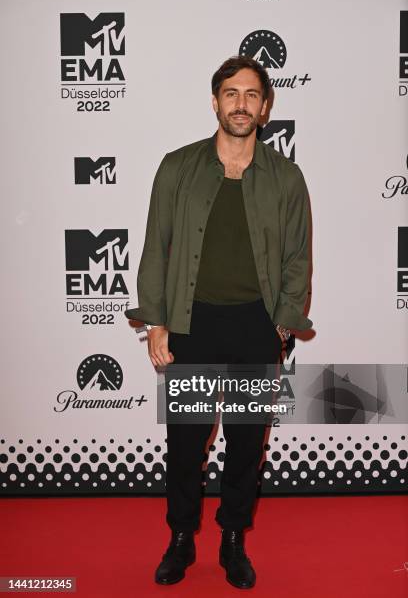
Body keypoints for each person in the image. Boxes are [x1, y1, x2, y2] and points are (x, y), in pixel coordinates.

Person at [125, 55, 313, 589]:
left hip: (256, 327)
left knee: (248, 443)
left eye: (252, 95)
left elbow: (298, 257)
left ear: (265, 107)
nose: (241, 104)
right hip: (193, 324)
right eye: (231, 93)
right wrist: (156, 323)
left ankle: (233, 539)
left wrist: (281, 321)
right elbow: (155, 250)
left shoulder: (286, 177)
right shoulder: (177, 167)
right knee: (186, 443)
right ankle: (181, 538)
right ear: (215, 101)